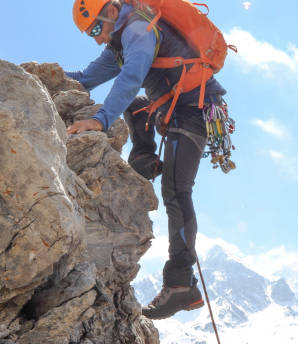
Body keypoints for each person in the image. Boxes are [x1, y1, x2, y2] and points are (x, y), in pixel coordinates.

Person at [66, 0, 227, 320]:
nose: (97, 38)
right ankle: (145, 159)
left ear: (112, 11)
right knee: (138, 106)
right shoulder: (120, 39)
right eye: (90, 34)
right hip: (173, 108)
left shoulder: (139, 31)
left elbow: (130, 78)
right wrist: (37, 74)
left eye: (96, 28)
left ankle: (183, 285)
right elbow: (85, 78)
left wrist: (100, 120)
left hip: (195, 111)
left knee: (177, 192)